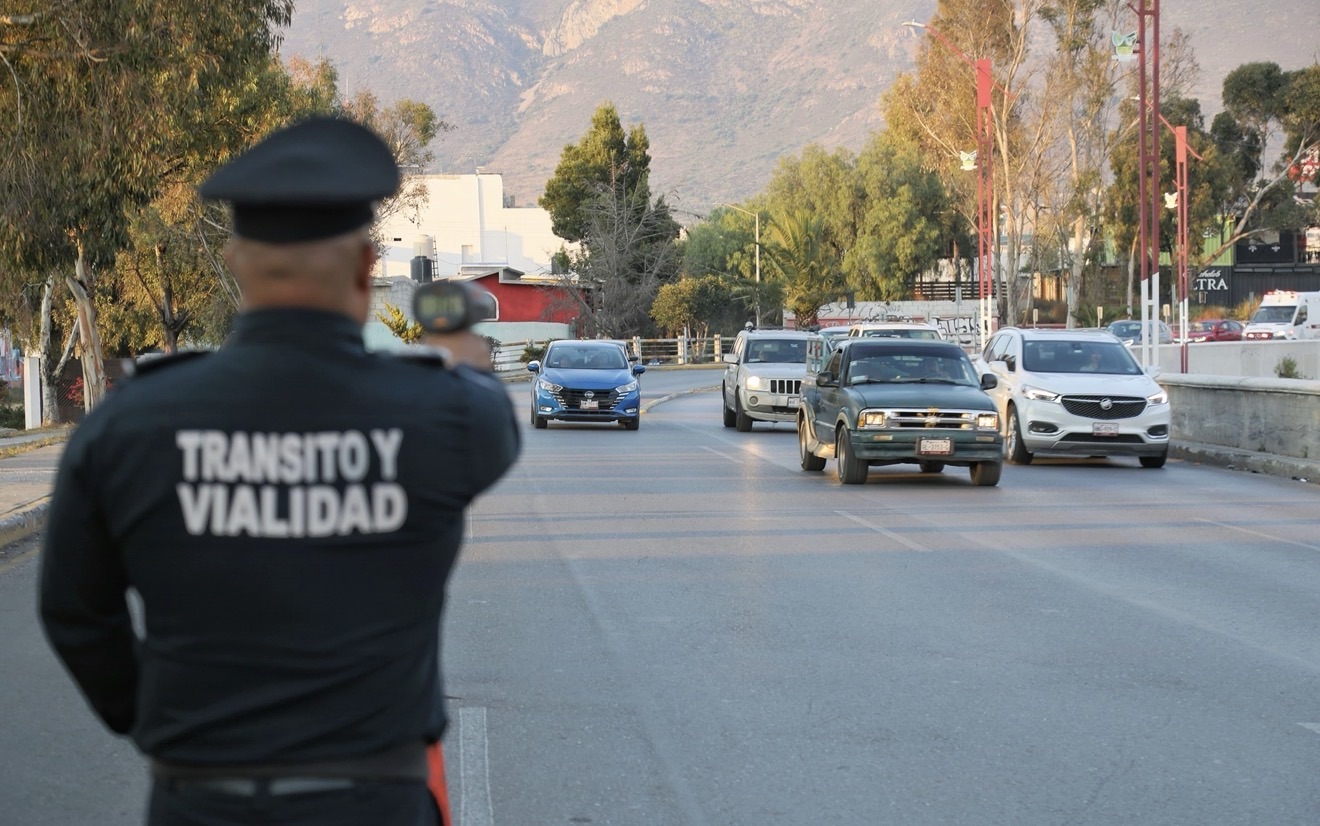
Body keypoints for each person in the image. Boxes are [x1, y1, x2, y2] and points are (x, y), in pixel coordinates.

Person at [38, 116, 520, 826]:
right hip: (374, 803)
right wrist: (458, 348)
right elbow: (487, 407)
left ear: (236, 262)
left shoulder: (128, 424)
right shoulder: (445, 414)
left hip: (198, 800)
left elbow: (74, 612)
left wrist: (154, 717)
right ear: (365, 266)